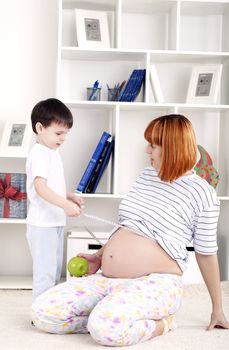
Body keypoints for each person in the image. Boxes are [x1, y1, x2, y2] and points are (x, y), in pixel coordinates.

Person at [30, 114, 229, 346]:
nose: (147, 150)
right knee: (42, 313)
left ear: (172, 148)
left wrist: (217, 308)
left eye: (153, 145)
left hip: (156, 282)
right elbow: (128, 226)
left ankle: (162, 323)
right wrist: (99, 256)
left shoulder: (202, 193)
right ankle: (109, 316)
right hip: (110, 278)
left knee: (105, 330)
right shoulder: (147, 175)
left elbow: (206, 253)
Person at [26, 98, 83, 300]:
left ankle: (49, 307)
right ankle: (40, 313)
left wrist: (69, 196)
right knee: (46, 271)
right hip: (43, 224)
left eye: (66, 134)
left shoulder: (52, 152)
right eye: (58, 133)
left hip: (55, 221)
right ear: (40, 128)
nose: (63, 138)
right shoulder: (40, 154)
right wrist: (65, 204)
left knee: (55, 268)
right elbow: (40, 188)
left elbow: (52, 185)